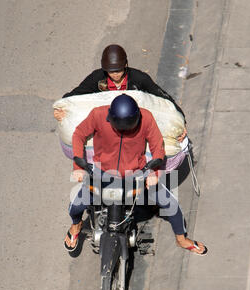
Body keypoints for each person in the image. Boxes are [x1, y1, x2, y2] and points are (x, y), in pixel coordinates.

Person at [64, 94, 207, 256]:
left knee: (171, 206)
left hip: (137, 175)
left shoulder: (146, 117)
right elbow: (78, 134)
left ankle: (181, 239)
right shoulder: (98, 115)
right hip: (102, 173)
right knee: (75, 207)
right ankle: (76, 226)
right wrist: (78, 166)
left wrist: (154, 172)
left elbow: (157, 147)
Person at [54, 44, 187, 143]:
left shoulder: (139, 78)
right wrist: (61, 108)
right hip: (107, 127)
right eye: (111, 71)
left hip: (134, 126)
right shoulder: (97, 78)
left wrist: (181, 122)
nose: (116, 74)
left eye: (119, 70)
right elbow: (76, 94)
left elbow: (163, 97)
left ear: (125, 66)